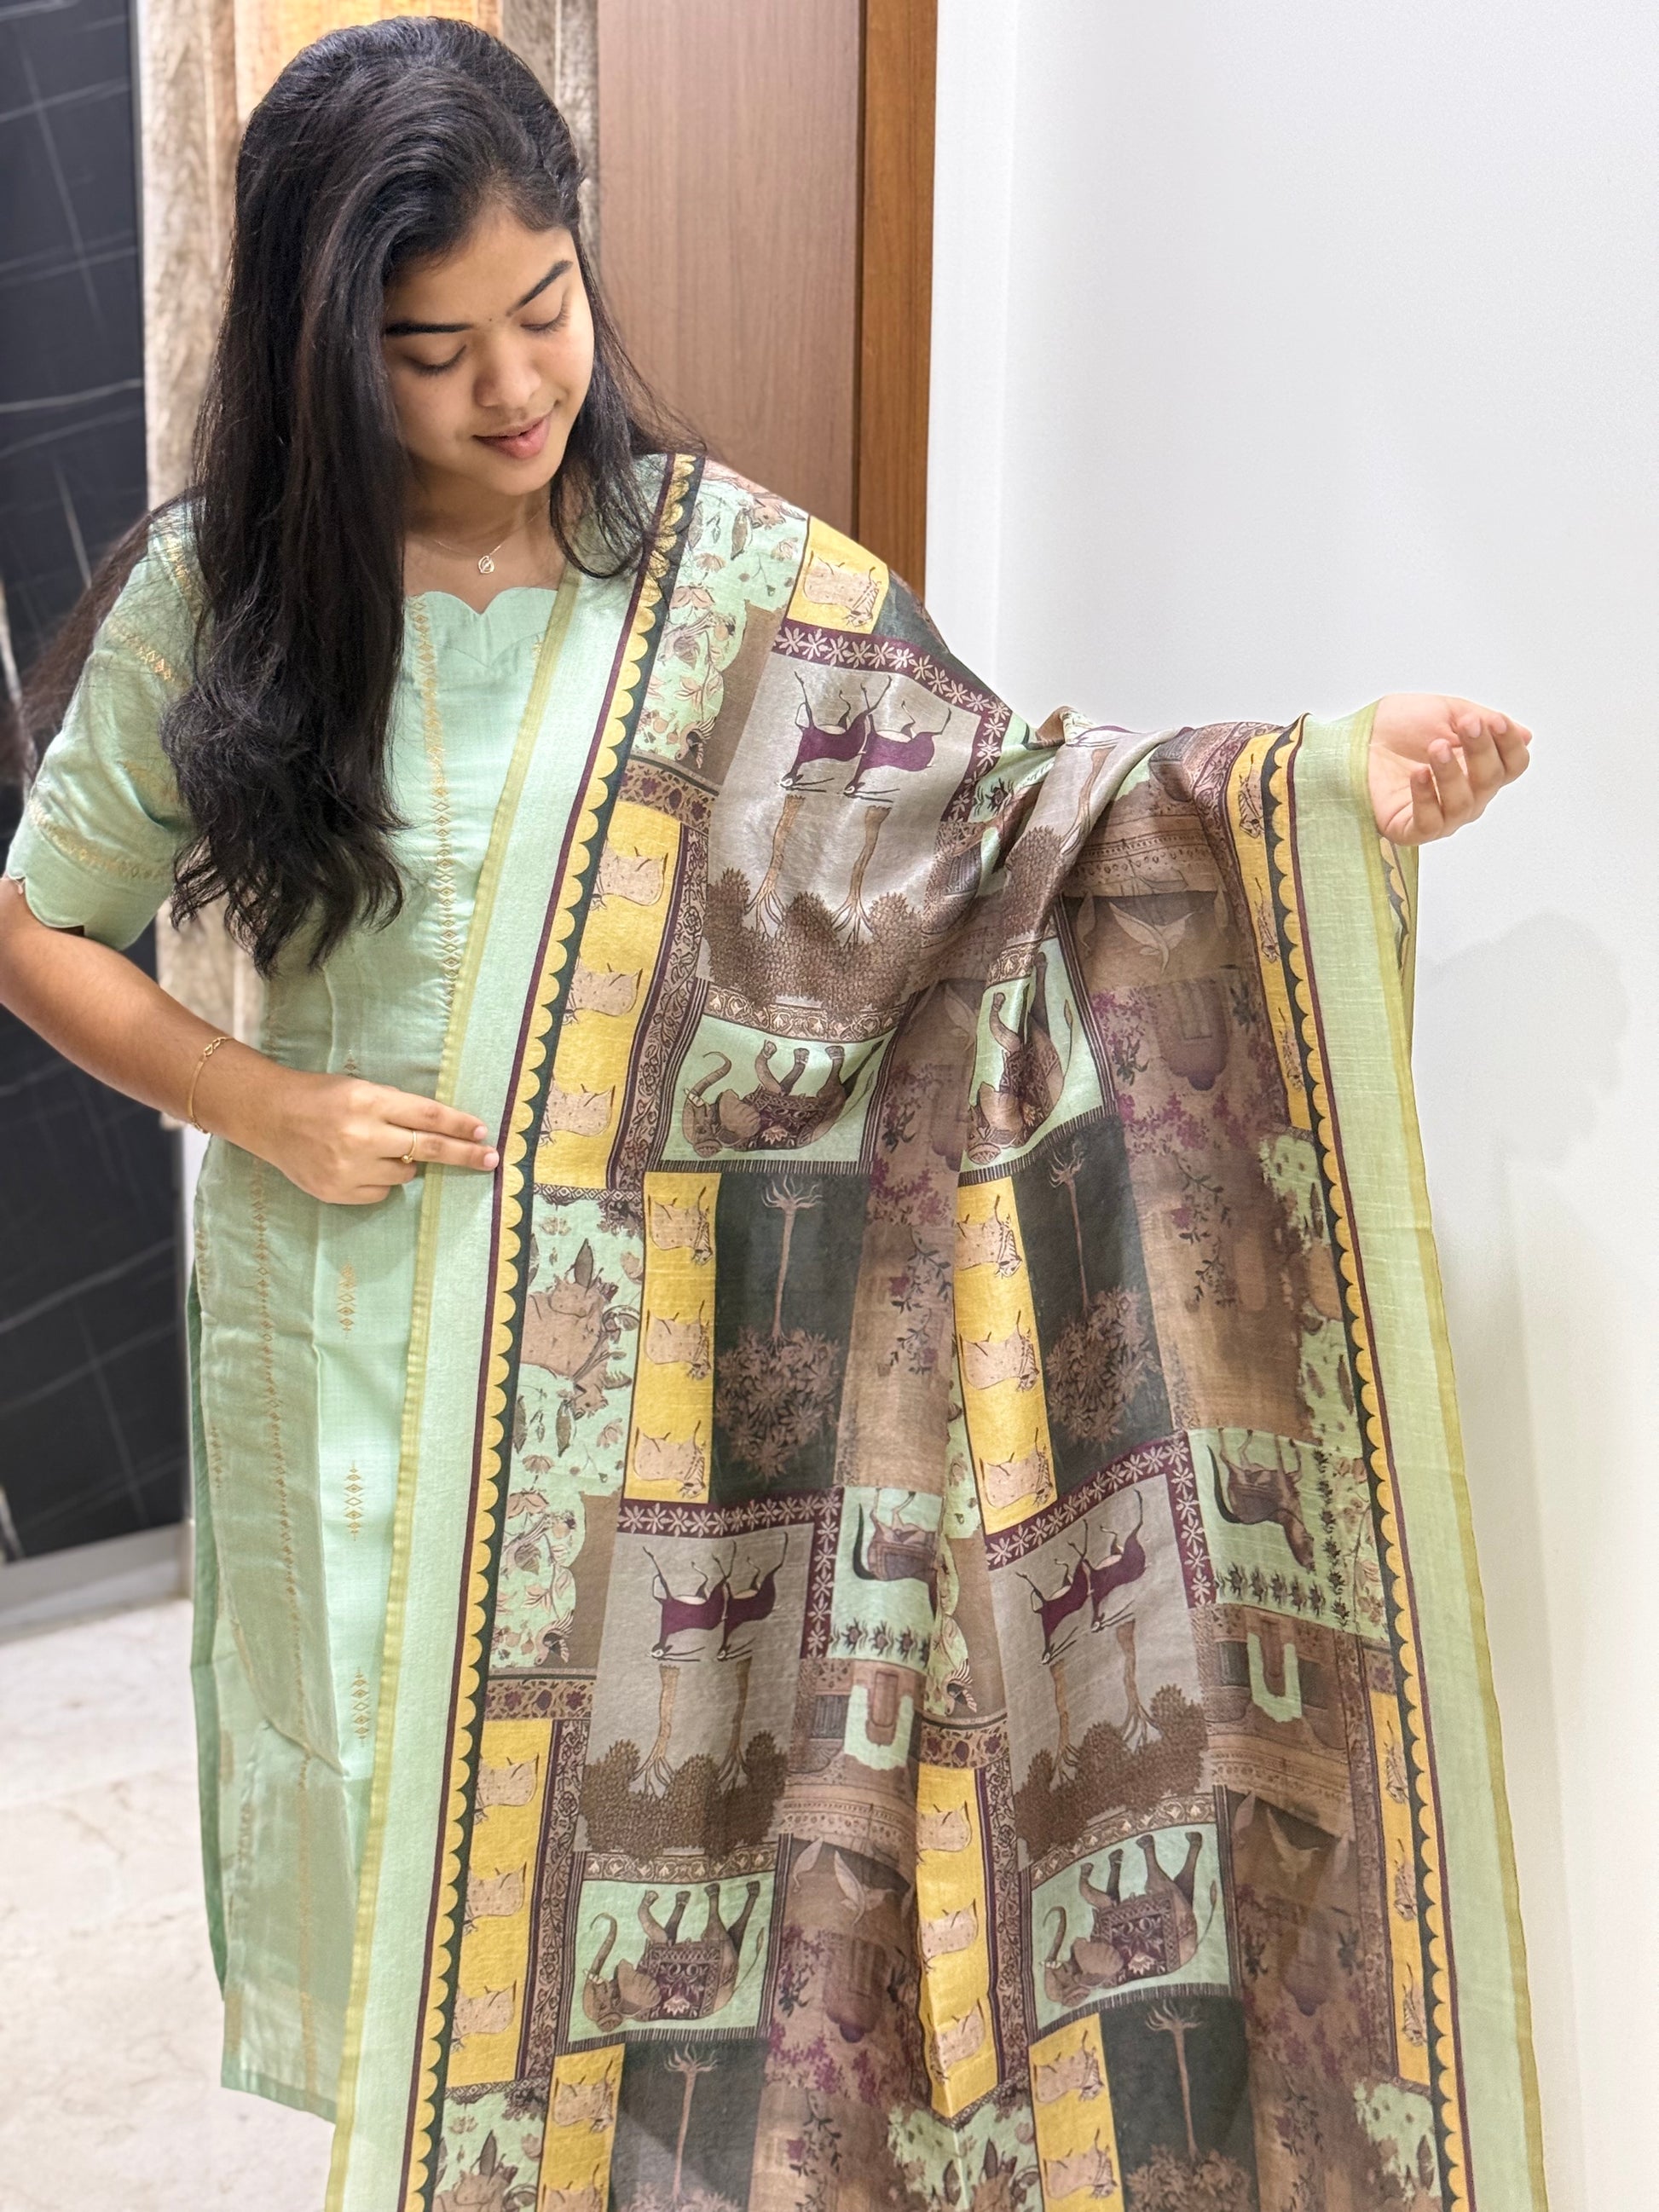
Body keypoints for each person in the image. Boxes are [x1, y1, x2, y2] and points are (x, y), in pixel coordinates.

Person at [0, 19, 1546, 2212]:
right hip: (350, 1346)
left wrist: (1299, 785)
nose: (515, 388)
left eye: (546, 308)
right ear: (323, 353)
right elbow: (37, 921)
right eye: (434, 351)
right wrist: (256, 1101)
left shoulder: (730, 584)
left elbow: (1009, 828)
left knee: (638, 1929)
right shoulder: (226, 600)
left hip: (672, 1410)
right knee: (409, 1909)